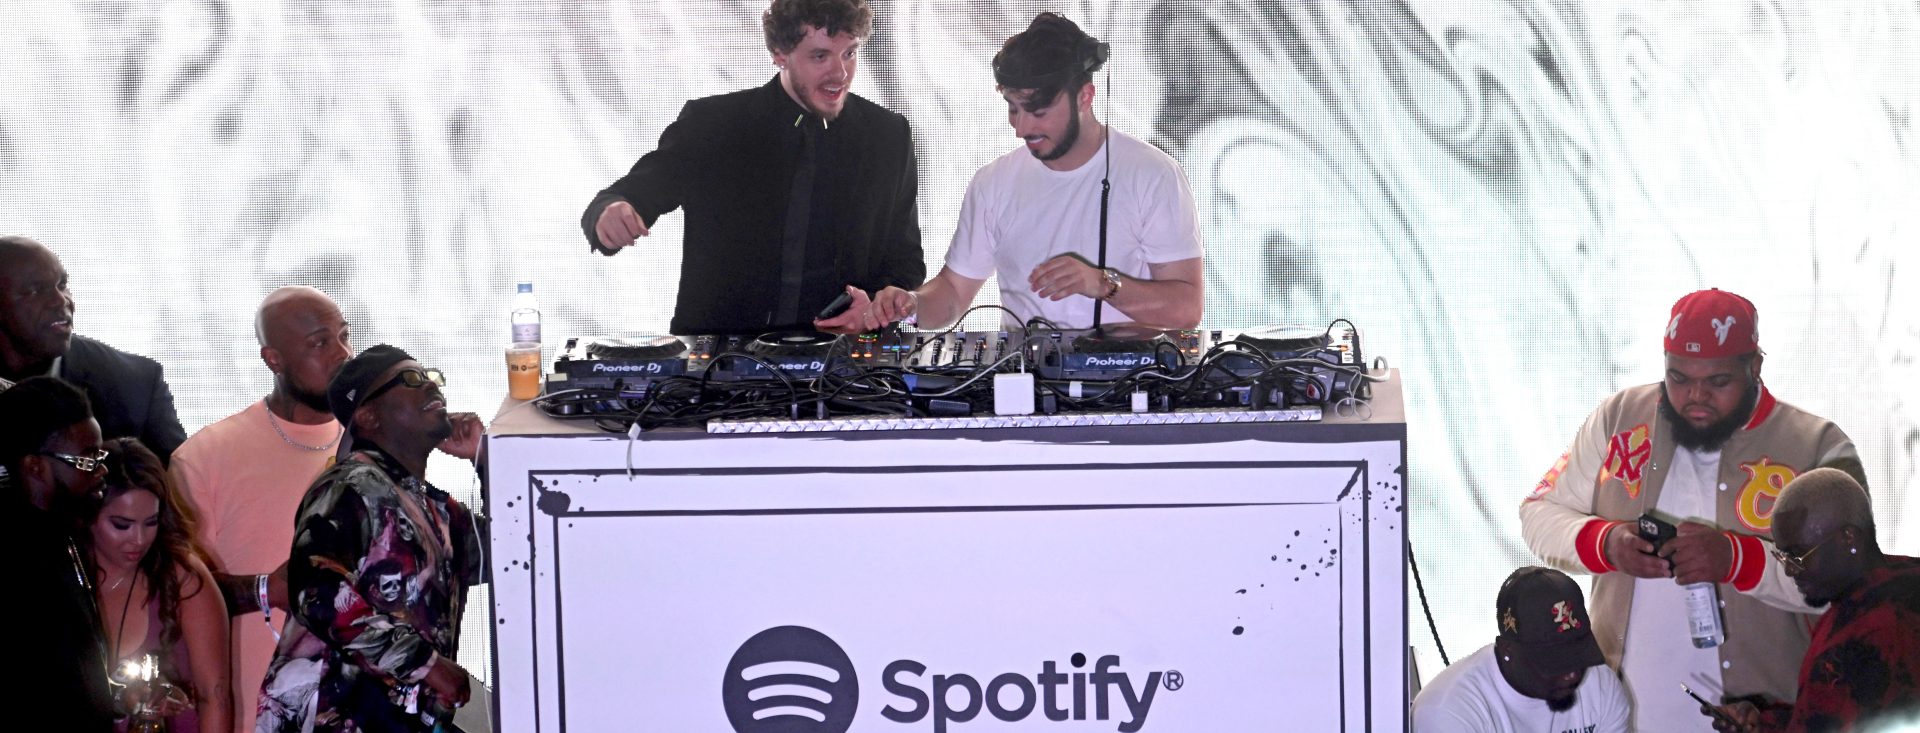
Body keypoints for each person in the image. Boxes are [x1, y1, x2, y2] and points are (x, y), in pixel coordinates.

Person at [1520, 288, 1867, 731]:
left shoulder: (1818, 446)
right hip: (1623, 714)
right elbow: (1539, 512)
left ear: (1755, 366)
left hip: (1763, 715)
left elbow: (1854, 581)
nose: (1695, 396)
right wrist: (1606, 542)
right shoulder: (1620, 418)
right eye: (1678, 378)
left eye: (1718, 382)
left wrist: (1739, 560)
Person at [580, 0, 924, 336]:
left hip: (843, 363)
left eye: (849, 52)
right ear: (779, 54)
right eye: (820, 56)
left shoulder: (887, 136)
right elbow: (630, 194)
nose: (840, 73)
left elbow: (904, 262)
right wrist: (609, 212)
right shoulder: (713, 125)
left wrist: (881, 303)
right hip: (719, 369)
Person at [865, 12, 1203, 333]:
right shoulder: (993, 182)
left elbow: (1187, 309)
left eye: (1038, 112)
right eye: (1014, 110)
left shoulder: (1153, 175)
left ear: (1085, 96)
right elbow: (953, 292)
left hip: (1127, 384)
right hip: (1024, 383)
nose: (1022, 127)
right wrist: (911, 305)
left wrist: (1101, 283)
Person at [255, 345, 487, 732]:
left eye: (431, 376)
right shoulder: (351, 485)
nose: (431, 385)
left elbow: (518, 557)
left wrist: (486, 458)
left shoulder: (439, 511)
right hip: (336, 716)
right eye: (411, 380)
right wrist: (425, 664)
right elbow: (316, 592)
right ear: (368, 416)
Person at [170, 286, 353, 733]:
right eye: (320, 342)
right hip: (253, 715)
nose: (343, 354)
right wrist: (265, 590)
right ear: (273, 359)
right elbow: (175, 593)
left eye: (345, 336)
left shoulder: (374, 444)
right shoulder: (205, 457)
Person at [1702, 468, 1920, 732]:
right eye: (1783, 557)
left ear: (1848, 538)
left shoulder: (1876, 631)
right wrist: (1763, 723)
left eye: (1798, 555)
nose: (1789, 570)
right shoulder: (1896, 585)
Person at [85, 438, 232, 733]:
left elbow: (214, 697)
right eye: (122, 525)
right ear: (89, 516)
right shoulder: (64, 573)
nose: (139, 540)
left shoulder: (182, 575)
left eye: (150, 522)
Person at [0, 235, 187, 463]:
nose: (61, 301)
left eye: (62, 285)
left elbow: (179, 493)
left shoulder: (136, 386)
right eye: (35, 291)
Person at [0, 376, 117, 731]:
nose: (101, 469)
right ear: (35, 466)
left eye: (100, 454)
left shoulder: (63, 533)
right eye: (86, 459)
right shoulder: (14, 555)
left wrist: (116, 696)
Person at [1412, 566, 1629, 732]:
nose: (1572, 673)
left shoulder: (1600, 685)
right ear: (1507, 650)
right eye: (1556, 661)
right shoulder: (1449, 710)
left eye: (1578, 653)